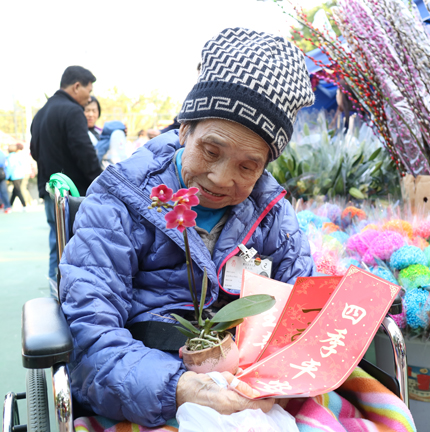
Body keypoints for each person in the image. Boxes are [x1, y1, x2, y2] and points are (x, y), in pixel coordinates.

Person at [59, 28, 316, 427]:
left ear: (266, 165)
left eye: (247, 166)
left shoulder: (273, 213)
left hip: (252, 385)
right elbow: (90, 333)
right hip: (147, 385)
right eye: (210, 151)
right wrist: (178, 388)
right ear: (184, 130)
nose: (219, 178)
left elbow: (301, 308)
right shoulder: (118, 201)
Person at [31, 65, 103, 282]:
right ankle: (72, 292)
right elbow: (84, 152)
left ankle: (55, 287)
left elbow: (34, 151)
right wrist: (100, 181)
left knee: (56, 241)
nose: (88, 97)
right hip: (73, 193)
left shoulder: (42, 112)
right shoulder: (72, 111)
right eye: (88, 91)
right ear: (77, 86)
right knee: (76, 244)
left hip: (49, 190)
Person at [6, 143, 28, 210]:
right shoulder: (17, 155)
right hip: (20, 175)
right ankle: (10, 204)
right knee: (15, 190)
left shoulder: (10, 157)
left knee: (17, 190)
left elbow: (10, 168)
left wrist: (7, 177)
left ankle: (24, 204)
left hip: (15, 176)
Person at [0, 147, 10, 212]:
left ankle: (6, 206)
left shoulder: (2, 154)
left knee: (3, 191)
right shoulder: (2, 153)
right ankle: (6, 205)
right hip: (3, 174)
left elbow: (3, 164)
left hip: (2, 174)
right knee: (4, 191)